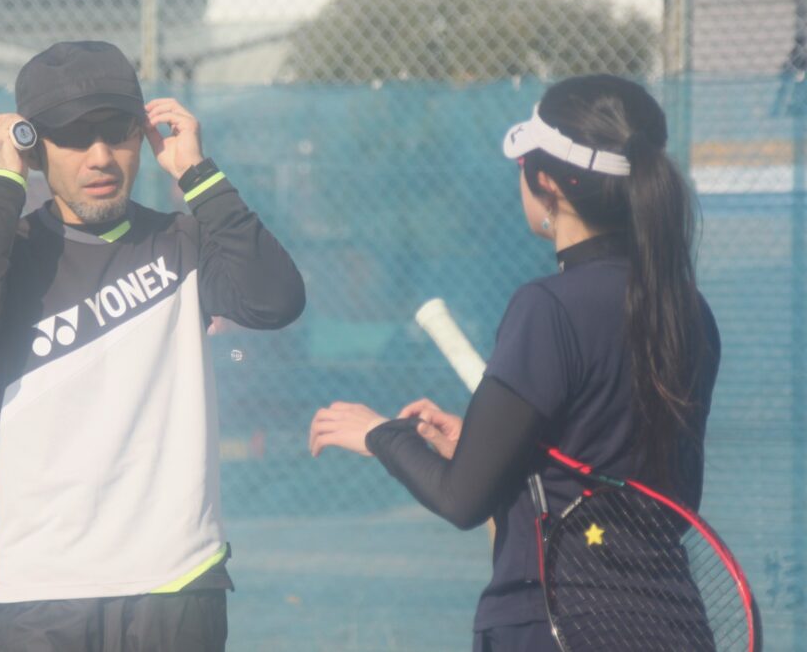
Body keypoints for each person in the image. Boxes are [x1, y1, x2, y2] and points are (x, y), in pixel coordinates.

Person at [307, 74, 721, 651]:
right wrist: (491, 447)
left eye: (523, 164)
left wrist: (382, 435)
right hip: (675, 627)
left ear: (546, 183)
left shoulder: (546, 308)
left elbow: (461, 500)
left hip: (555, 625)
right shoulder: (690, 311)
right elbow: (633, 484)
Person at [0, 40, 305, 652]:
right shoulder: (9, 251)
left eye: (119, 132)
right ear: (34, 147)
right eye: (75, 137)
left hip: (177, 582)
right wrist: (1, 184)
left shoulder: (185, 242)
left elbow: (276, 300)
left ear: (142, 135)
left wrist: (198, 174)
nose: (101, 156)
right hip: (38, 593)